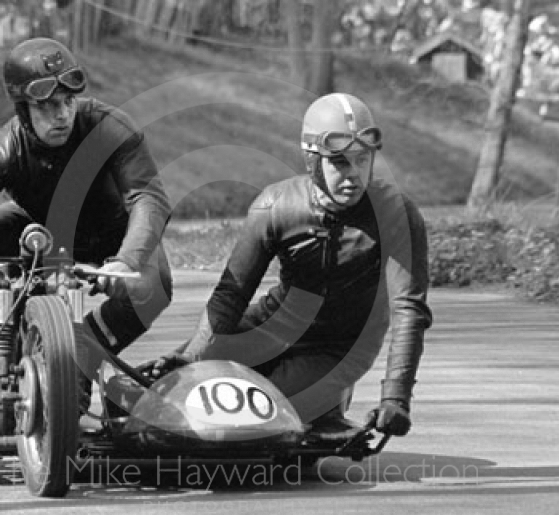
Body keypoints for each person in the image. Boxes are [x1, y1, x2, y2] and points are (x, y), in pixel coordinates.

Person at [0, 37, 172, 440]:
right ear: (23, 109)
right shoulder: (4, 148)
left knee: (154, 284)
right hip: (42, 227)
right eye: (47, 106)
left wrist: (128, 259)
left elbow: (148, 197)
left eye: (68, 102)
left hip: (114, 233)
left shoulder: (110, 128)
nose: (62, 115)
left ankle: (77, 359)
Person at [149, 93, 432, 438]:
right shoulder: (276, 205)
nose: (353, 174)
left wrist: (396, 398)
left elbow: (408, 311)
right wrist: (194, 355)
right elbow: (231, 294)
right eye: (339, 162)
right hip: (269, 325)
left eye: (362, 160)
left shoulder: (397, 213)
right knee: (161, 392)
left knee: (256, 415)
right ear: (313, 162)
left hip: (335, 349)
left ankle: (326, 406)